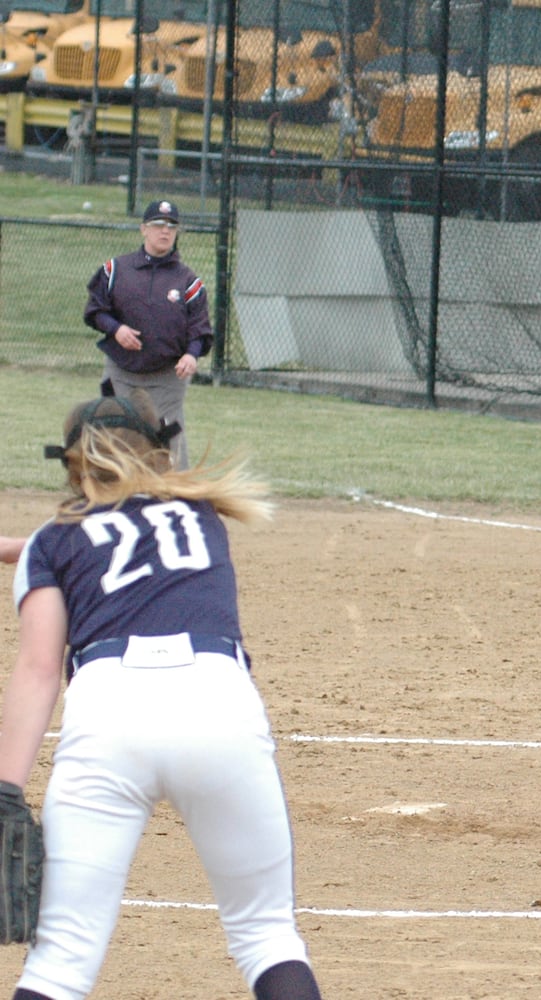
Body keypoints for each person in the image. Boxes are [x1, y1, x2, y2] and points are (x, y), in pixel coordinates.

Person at [0, 387, 324, 1000]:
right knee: (267, 937)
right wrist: (28, 548)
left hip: (109, 720)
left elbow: (39, 669)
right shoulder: (205, 517)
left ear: (73, 466)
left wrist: (4, 791)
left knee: (60, 964)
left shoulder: (52, 544)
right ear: (159, 453)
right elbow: (130, 534)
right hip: (217, 708)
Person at [83, 199, 213, 470]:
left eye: (171, 226)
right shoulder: (116, 270)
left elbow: (200, 329)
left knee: (167, 435)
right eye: (157, 225)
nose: (164, 231)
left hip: (168, 375)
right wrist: (116, 329)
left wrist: (192, 354)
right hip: (122, 371)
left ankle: (176, 495)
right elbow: (95, 311)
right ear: (143, 229)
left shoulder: (188, 281)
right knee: (116, 433)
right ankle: (111, 493)